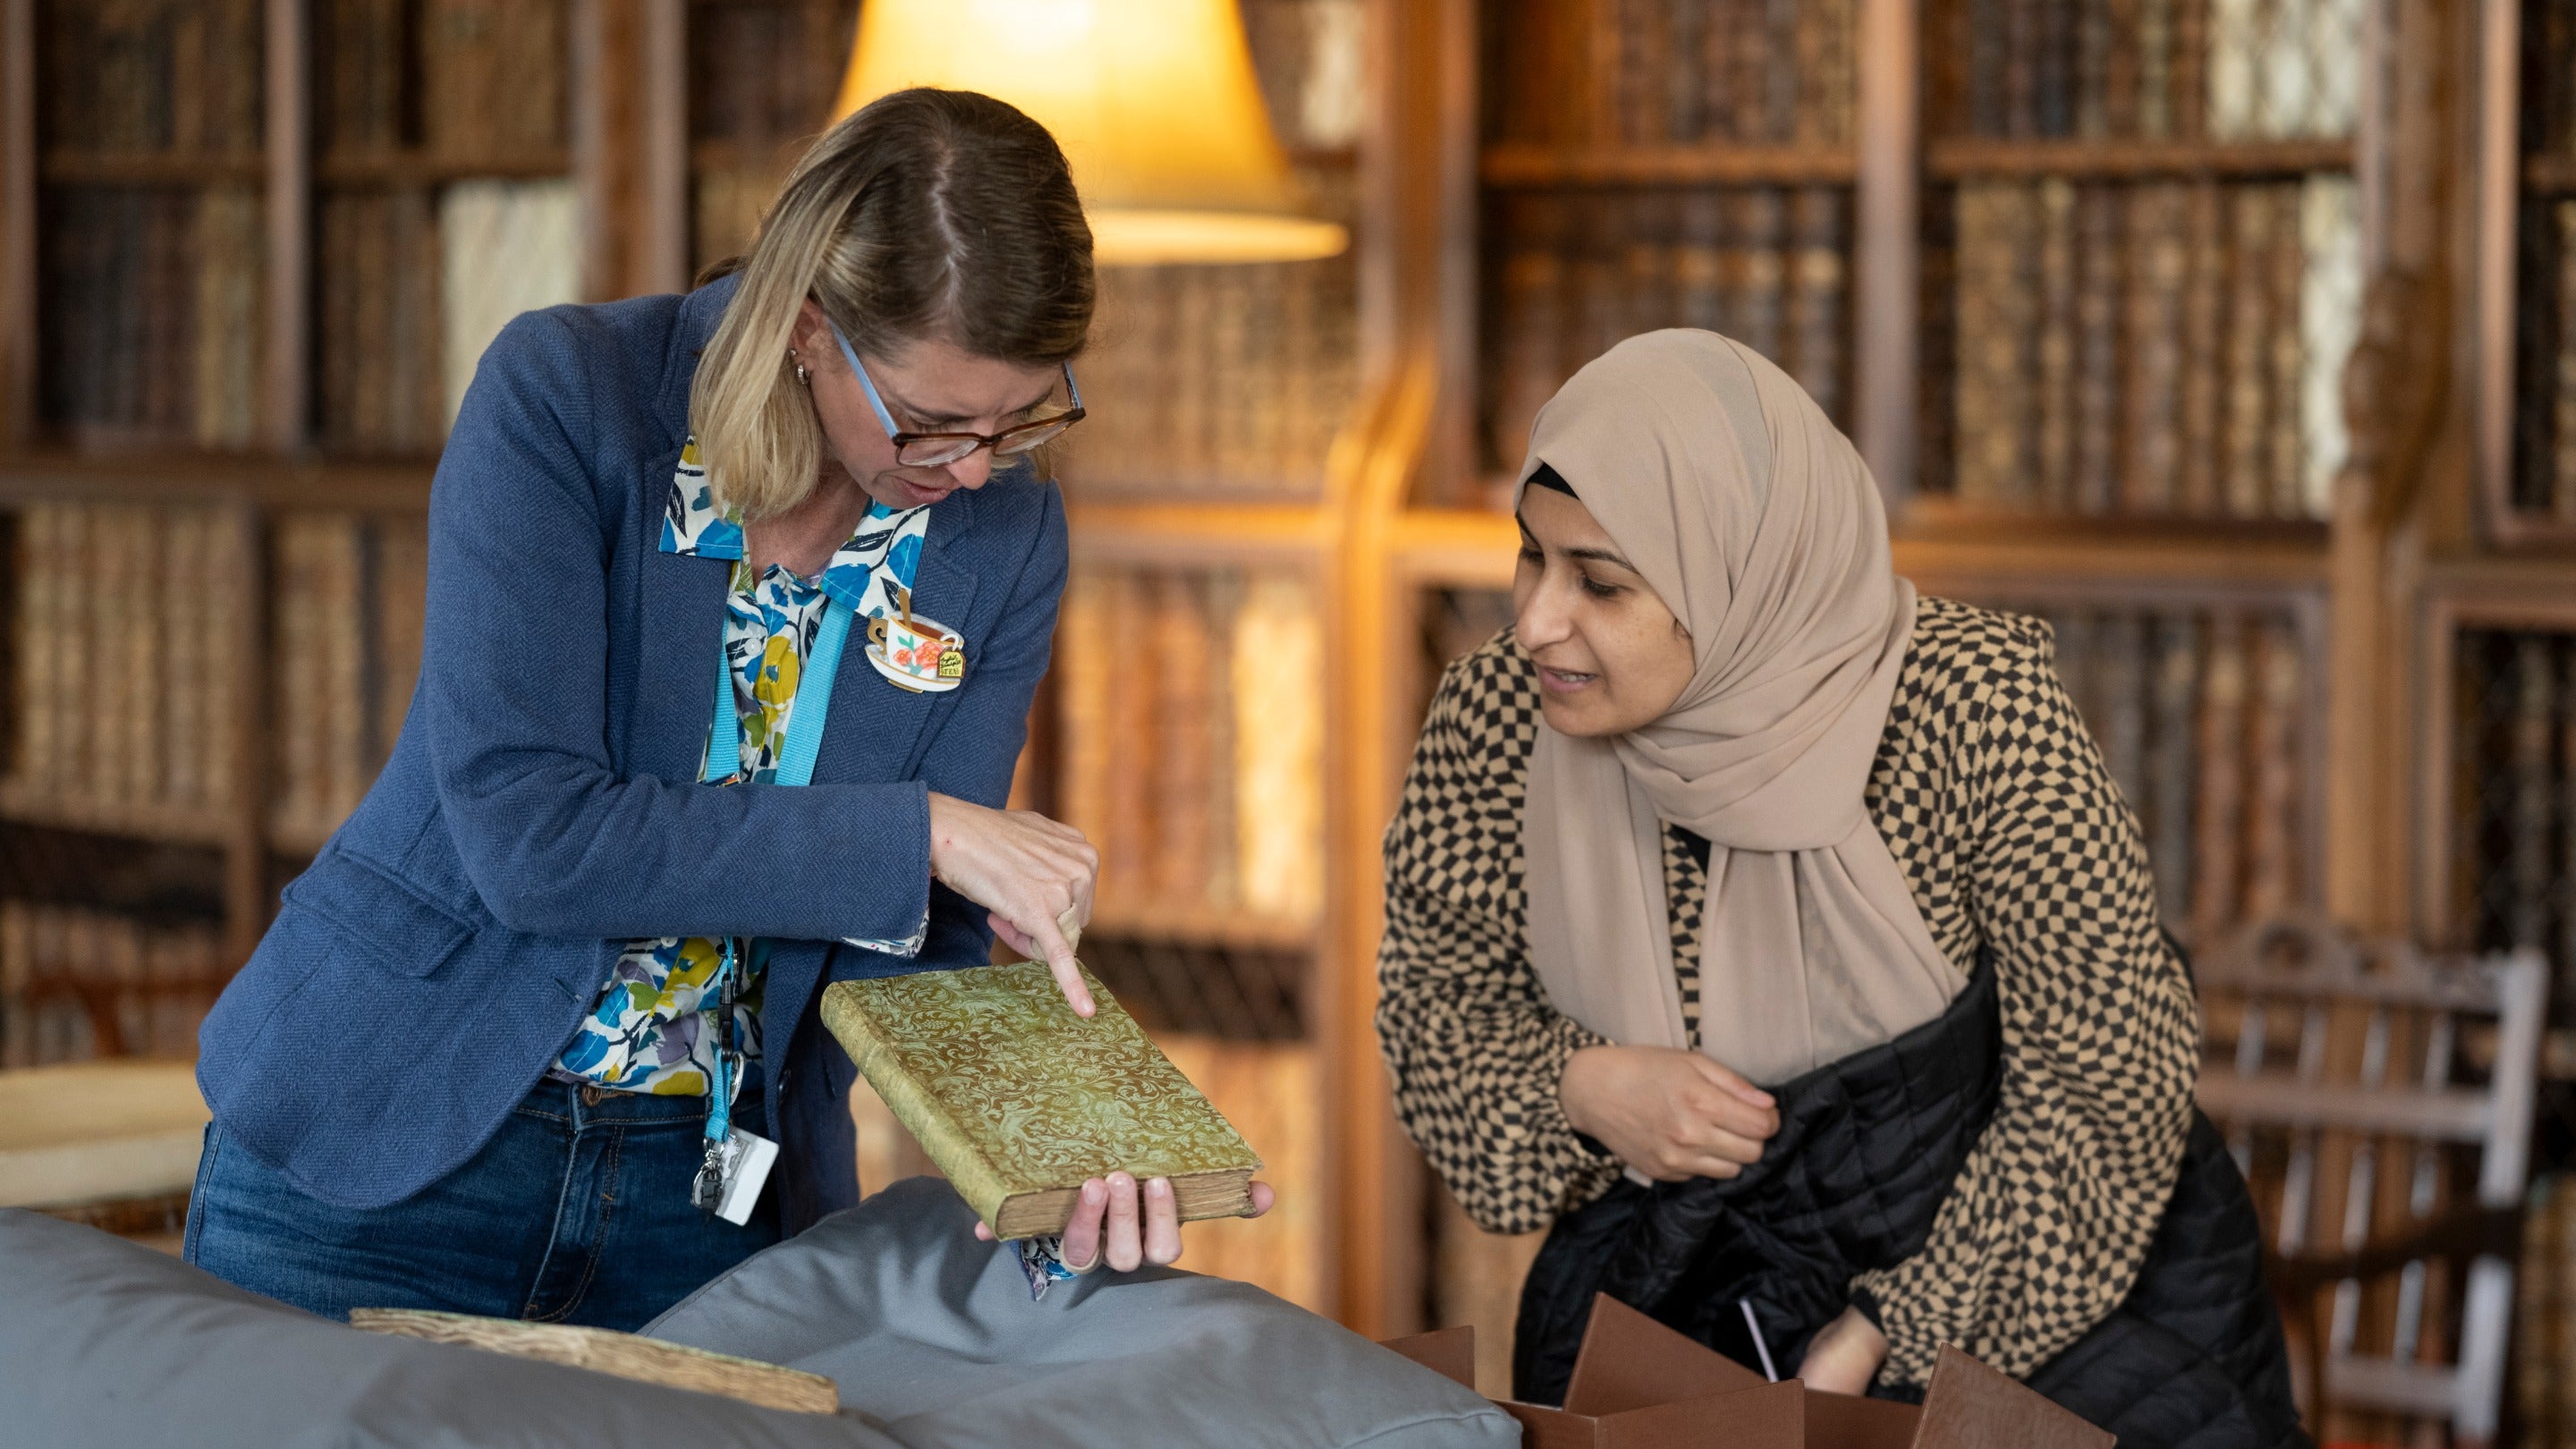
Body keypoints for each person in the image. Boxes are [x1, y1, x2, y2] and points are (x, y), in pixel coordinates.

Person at [187, 88, 1265, 1331]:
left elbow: (925, 943)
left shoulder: (1005, 531)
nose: (971, 468)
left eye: (1020, 419)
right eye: (929, 424)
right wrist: (922, 833)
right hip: (389, 1145)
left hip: (704, 1213)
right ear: (809, 327)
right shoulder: (566, 396)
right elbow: (535, 842)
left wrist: (1062, 1151)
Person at [1376, 330, 2301, 1448]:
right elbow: (1436, 1019)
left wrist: (1883, 1337)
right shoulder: (1494, 725)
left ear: (1741, 578)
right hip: (1684, 1308)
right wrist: (1580, 1087)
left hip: (2045, 1316)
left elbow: (2111, 1077)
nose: (1535, 622)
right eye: (1532, 558)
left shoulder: (1971, 708)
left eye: (1601, 584)